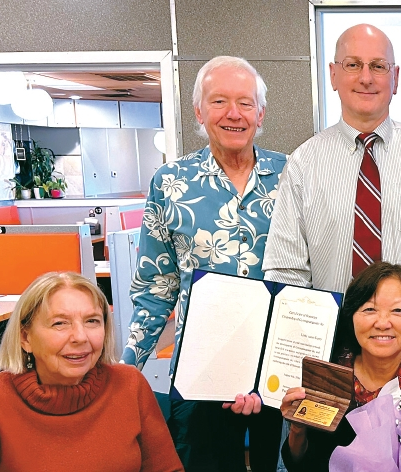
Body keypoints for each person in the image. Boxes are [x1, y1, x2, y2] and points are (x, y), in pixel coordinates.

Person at [263, 24, 401, 369]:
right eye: (353, 65)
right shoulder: (304, 163)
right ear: (333, 75)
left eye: (378, 66)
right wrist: (300, 354)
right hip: (329, 343)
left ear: (395, 78)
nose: (366, 77)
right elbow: (286, 269)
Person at [122, 56, 287, 471]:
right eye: (219, 102)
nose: (234, 114)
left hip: (278, 371)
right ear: (198, 111)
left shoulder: (292, 176)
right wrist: (123, 372)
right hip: (201, 374)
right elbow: (155, 288)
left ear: (261, 113)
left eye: (245, 103)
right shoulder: (171, 181)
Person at [0, 272, 182, 471]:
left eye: (92, 321)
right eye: (60, 323)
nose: (80, 337)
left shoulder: (129, 385)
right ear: (25, 338)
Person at [280, 261, 401, 471]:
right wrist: (298, 429)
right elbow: (302, 465)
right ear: (351, 316)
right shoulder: (327, 376)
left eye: (398, 310)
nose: (383, 323)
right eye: (369, 309)